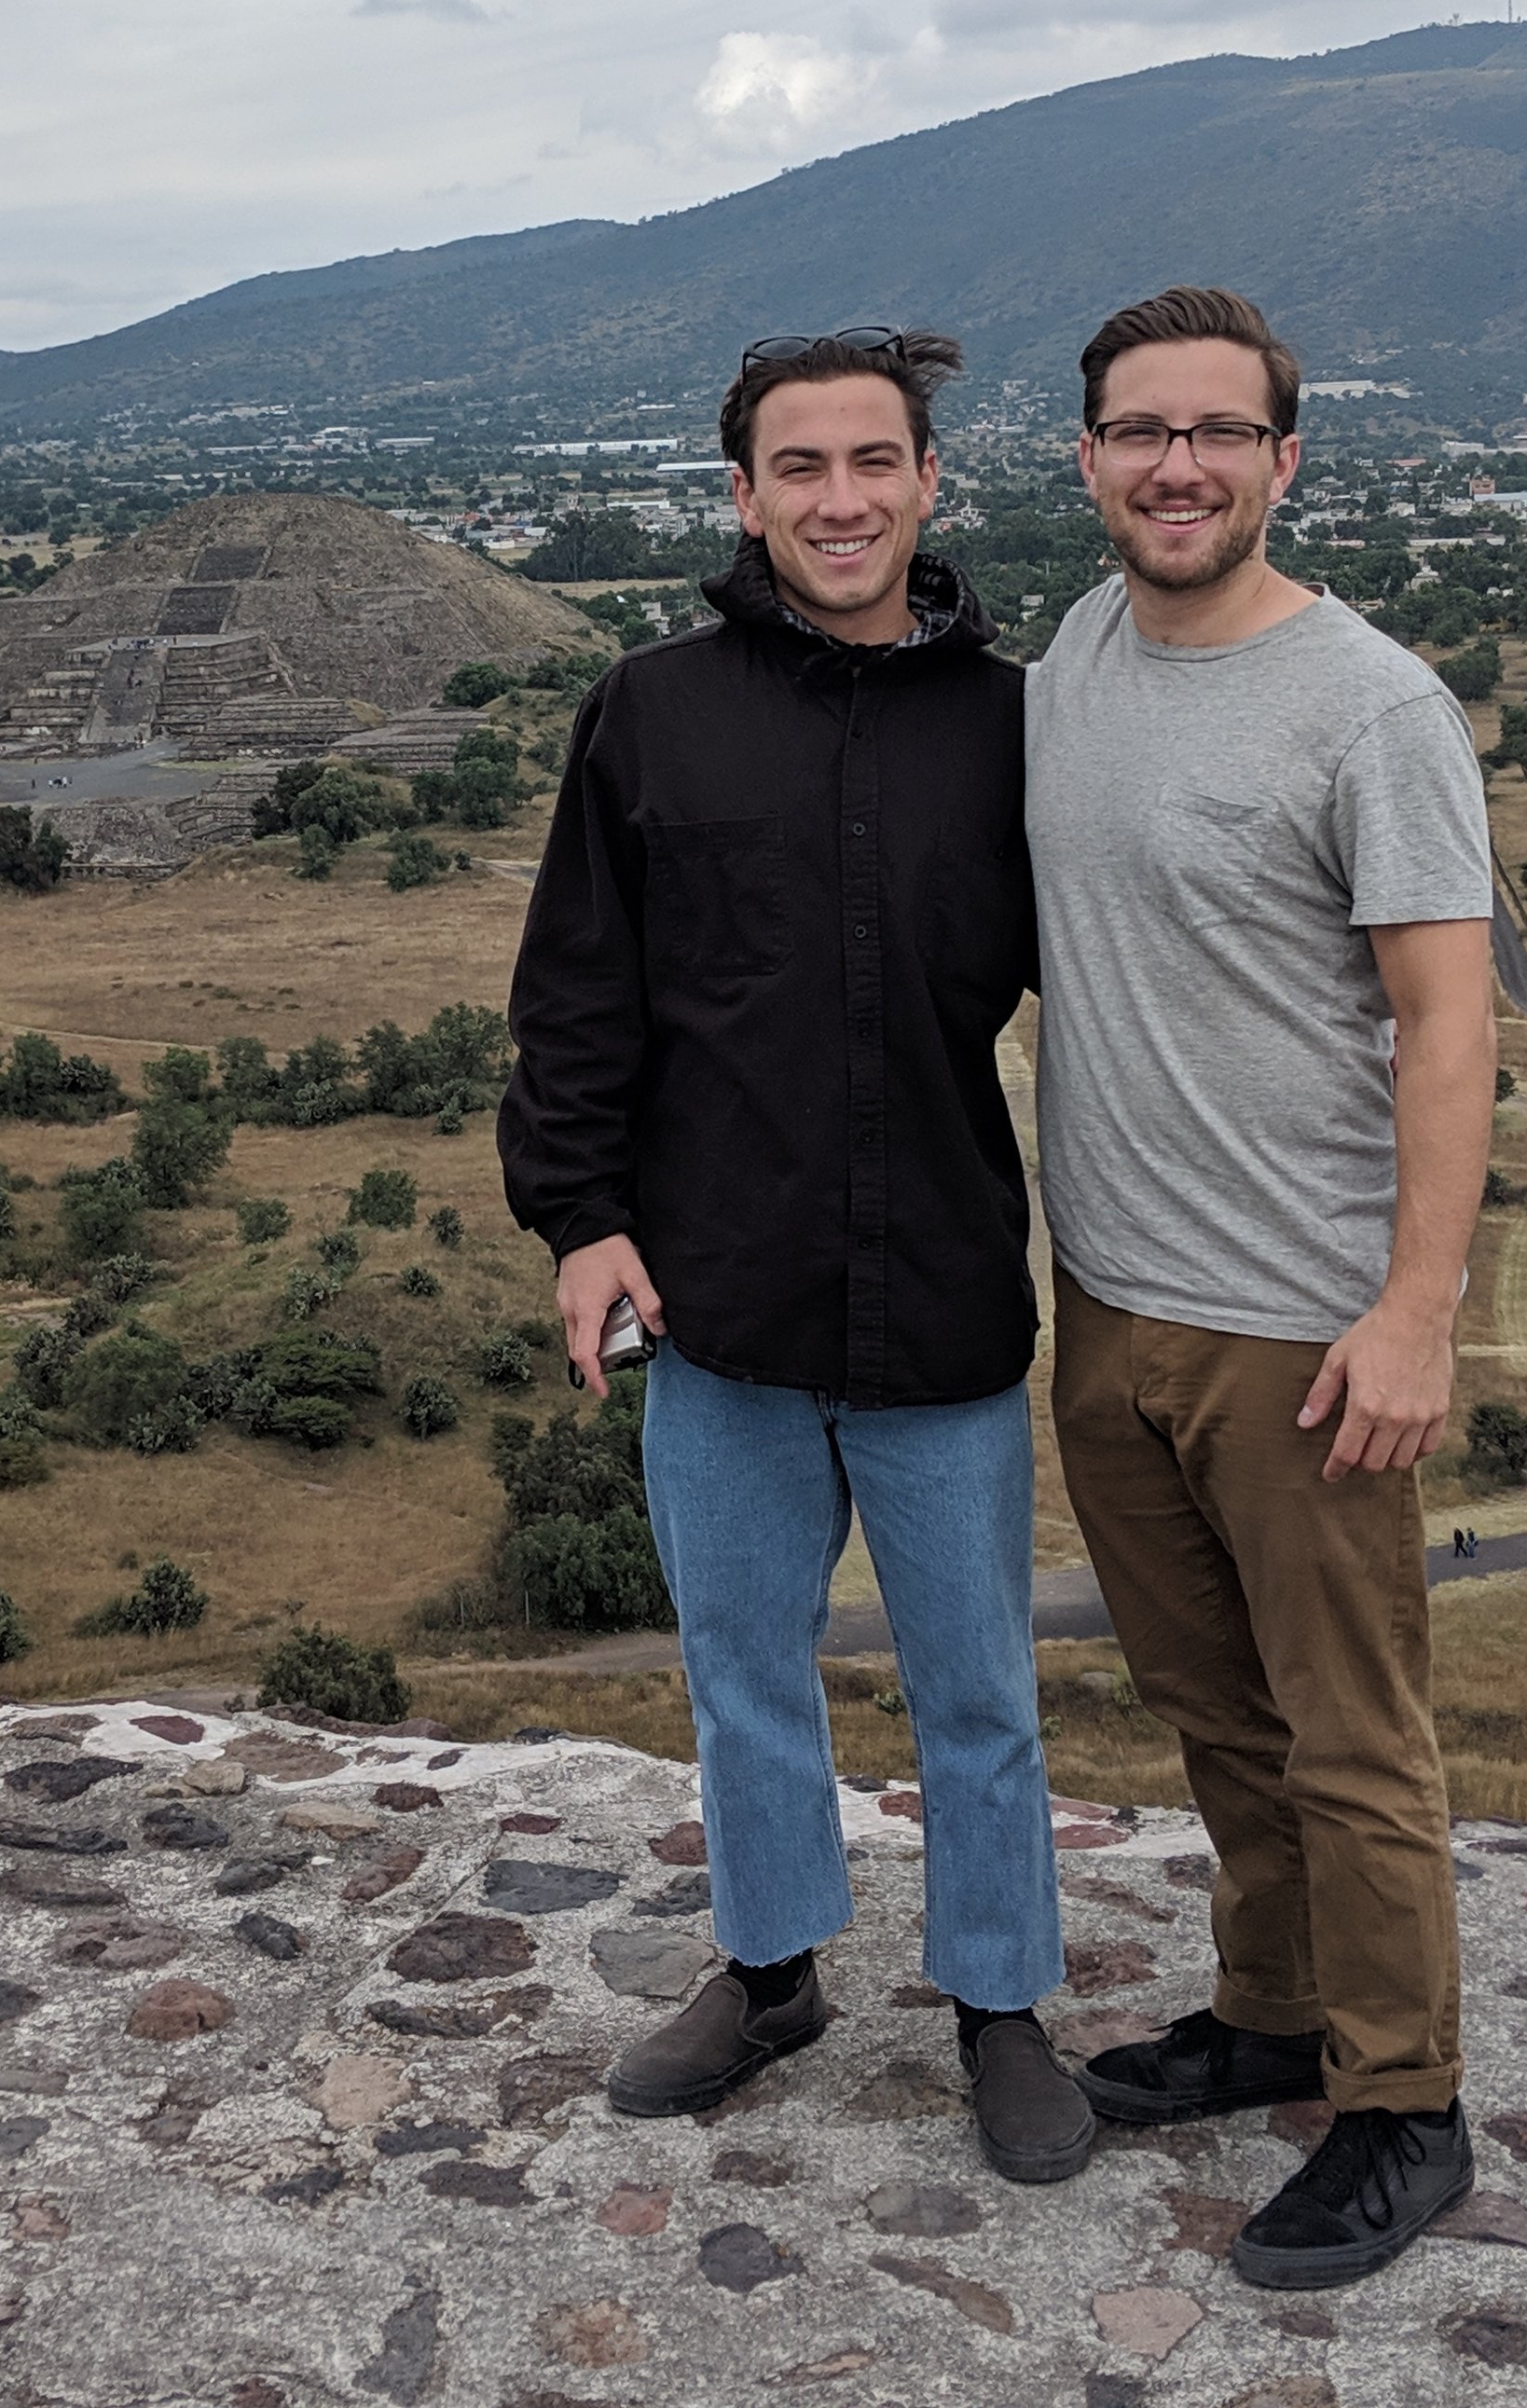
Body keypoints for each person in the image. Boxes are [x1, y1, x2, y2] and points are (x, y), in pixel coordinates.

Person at [497, 326, 1089, 2182]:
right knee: (739, 1659)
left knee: (974, 1679)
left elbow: (1128, 979)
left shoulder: (1015, 720)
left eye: (871, 462)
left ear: (924, 481)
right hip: (721, 1296)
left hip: (936, 1295)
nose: (838, 499)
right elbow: (578, 989)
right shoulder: (650, 710)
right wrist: (579, 1216)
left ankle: (997, 1999)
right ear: (741, 495)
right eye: (797, 468)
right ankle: (766, 1972)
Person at [1026, 284, 1495, 2289]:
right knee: (1214, 1712)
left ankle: (1402, 2104)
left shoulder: (1366, 702)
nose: (1178, 465)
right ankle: (1269, 2008)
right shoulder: (1068, 651)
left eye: (1219, 432)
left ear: (1283, 459)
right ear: (1088, 460)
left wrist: (1413, 1307)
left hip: (1300, 1327)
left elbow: (1444, 1021)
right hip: (1108, 1304)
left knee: (1350, 1731)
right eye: (1141, 431)